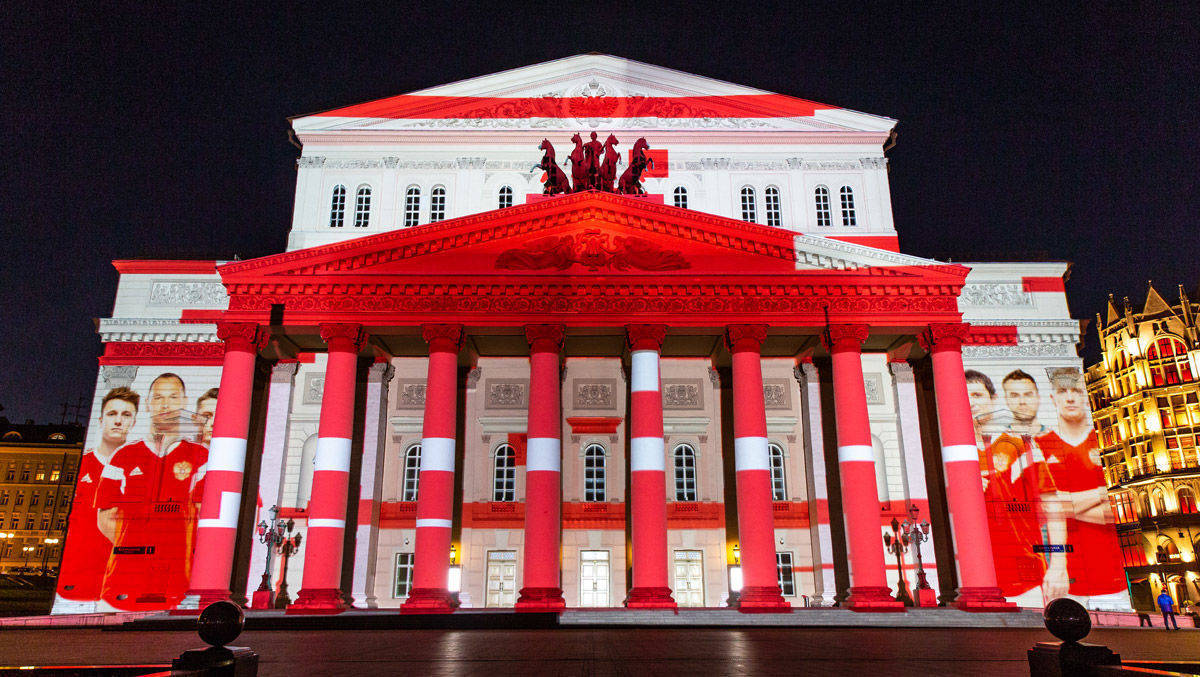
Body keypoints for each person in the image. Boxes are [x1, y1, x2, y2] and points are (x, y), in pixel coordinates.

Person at [96, 373, 208, 611]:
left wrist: (176, 547)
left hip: (177, 579)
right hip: (125, 579)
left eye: (172, 397)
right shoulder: (123, 455)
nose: (165, 405)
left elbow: (202, 516)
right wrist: (135, 545)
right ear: (147, 403)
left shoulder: (200, 457)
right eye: (158, 398)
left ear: (184, 401)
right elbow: (105, 515)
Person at [1025, 368, 1125, 600]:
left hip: (1113, 579)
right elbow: (1046, 508)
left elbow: (1113, 512)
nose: (1070, 397)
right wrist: (1102, 492)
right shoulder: (1040, 444)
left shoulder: (1101, 441)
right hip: (1069, 582)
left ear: (1084, 395)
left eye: (1076, 390)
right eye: (1062, 391)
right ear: (1053, 398)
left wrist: (1066, 504)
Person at [55, 388, 138, 604]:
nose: (118, 421)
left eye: (126, 415)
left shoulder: (141, 465)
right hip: (76, 581)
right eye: (112, 414)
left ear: (134, 422)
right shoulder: (83, 464)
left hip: (120, 582)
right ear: (101, 420)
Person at [1001, 370, 1047, 436]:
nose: (1022, 401)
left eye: (1028, 395)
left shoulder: (1057, 442)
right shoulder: (998, 444)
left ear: (1038, 397)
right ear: (1006, 400)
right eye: (1015, 396)